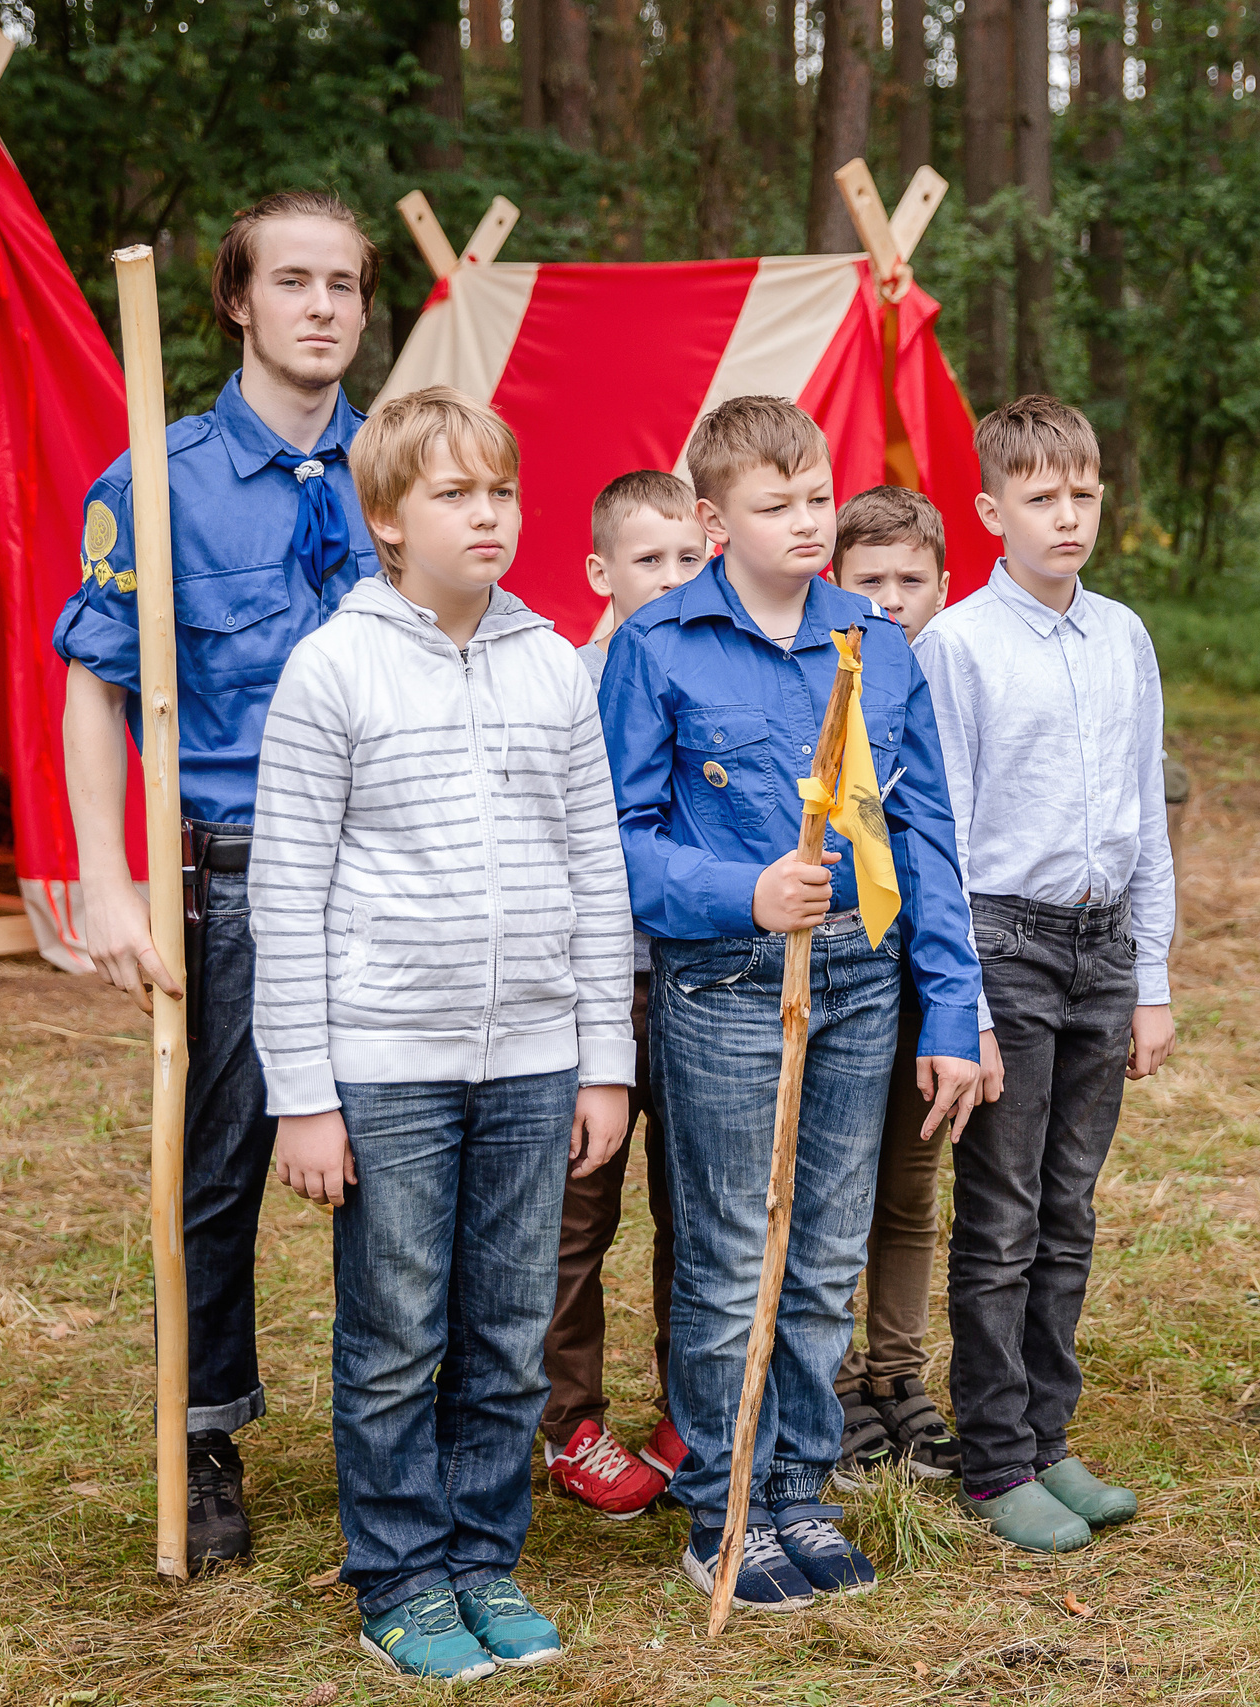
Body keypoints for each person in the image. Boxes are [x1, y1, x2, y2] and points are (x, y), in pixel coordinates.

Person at [250, 386, 634, 1677]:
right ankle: (402, 1572)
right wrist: (304, 1093)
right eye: (454, 493)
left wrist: (605, 1058)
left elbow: (596, 866)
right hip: (387, 1064)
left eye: (502, 490)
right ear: (385, 520)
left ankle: (483, 1555)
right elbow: (286, 890)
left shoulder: (551, 661)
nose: (488, 515)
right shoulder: (333, 666)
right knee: (398, 1328)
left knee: (508, 1325)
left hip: (534, 1061)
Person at [599, 396, 986, 1612]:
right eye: (777, 506)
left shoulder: (872, 644)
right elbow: (611, 840)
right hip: (722, 986)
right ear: (713, 521)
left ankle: (802, 1488)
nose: (810, 521)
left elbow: (924, 833)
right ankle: (728, 1497)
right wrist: (740, 890)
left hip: (862, 983)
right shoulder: (658, 647)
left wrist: (954, 1008)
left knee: (822, 1251)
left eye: (818, 494)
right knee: (726, 1257)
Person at [50, 191, 385, 1565]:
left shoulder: (403, 470)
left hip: (391, 872)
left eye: (346, 285)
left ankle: (395, 1418)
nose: (322, 307)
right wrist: (108, 879)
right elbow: (94, 684)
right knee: (221, 1162)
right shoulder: (153, 475)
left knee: (400, 1147)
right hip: (236, 870)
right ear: (239, 302)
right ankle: (203, 1424)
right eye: (293, 282)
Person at [915, 395, 1177, 1554]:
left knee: (1070, 1207)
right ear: (990, 511)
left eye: (1081, 493)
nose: (1066, 515)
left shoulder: (1122, 636)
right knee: (1004, 1211)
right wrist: (961, 1002)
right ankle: (993, 1457)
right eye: (1039, 497)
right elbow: (945, 833)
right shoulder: (956, 645)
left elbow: (1145, 817)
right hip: (1004, 946)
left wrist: (1150, 977)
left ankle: (1050, 1436)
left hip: (1100, 946)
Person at [539, 469, 708, 1517]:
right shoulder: (572, 681)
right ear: (602, 571)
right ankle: (567, 1419)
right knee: (575, 1211)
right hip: (591, 988)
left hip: (700, 984)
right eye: (649, 561)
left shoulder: (724, 669)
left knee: (697, 1207)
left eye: (691, 557)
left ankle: (693, 1407)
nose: (674, 577)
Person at [823, 486, 962, 1482]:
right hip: (838, 965)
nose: (890, 600)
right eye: (868, 580)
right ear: (835, 583)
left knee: (910, 1191)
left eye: (910, 581)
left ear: (942, 587)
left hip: (925, 971)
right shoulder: (822, 678)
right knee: (833, 1184)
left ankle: (899, 1373)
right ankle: (828, 1377)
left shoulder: (952, 678)